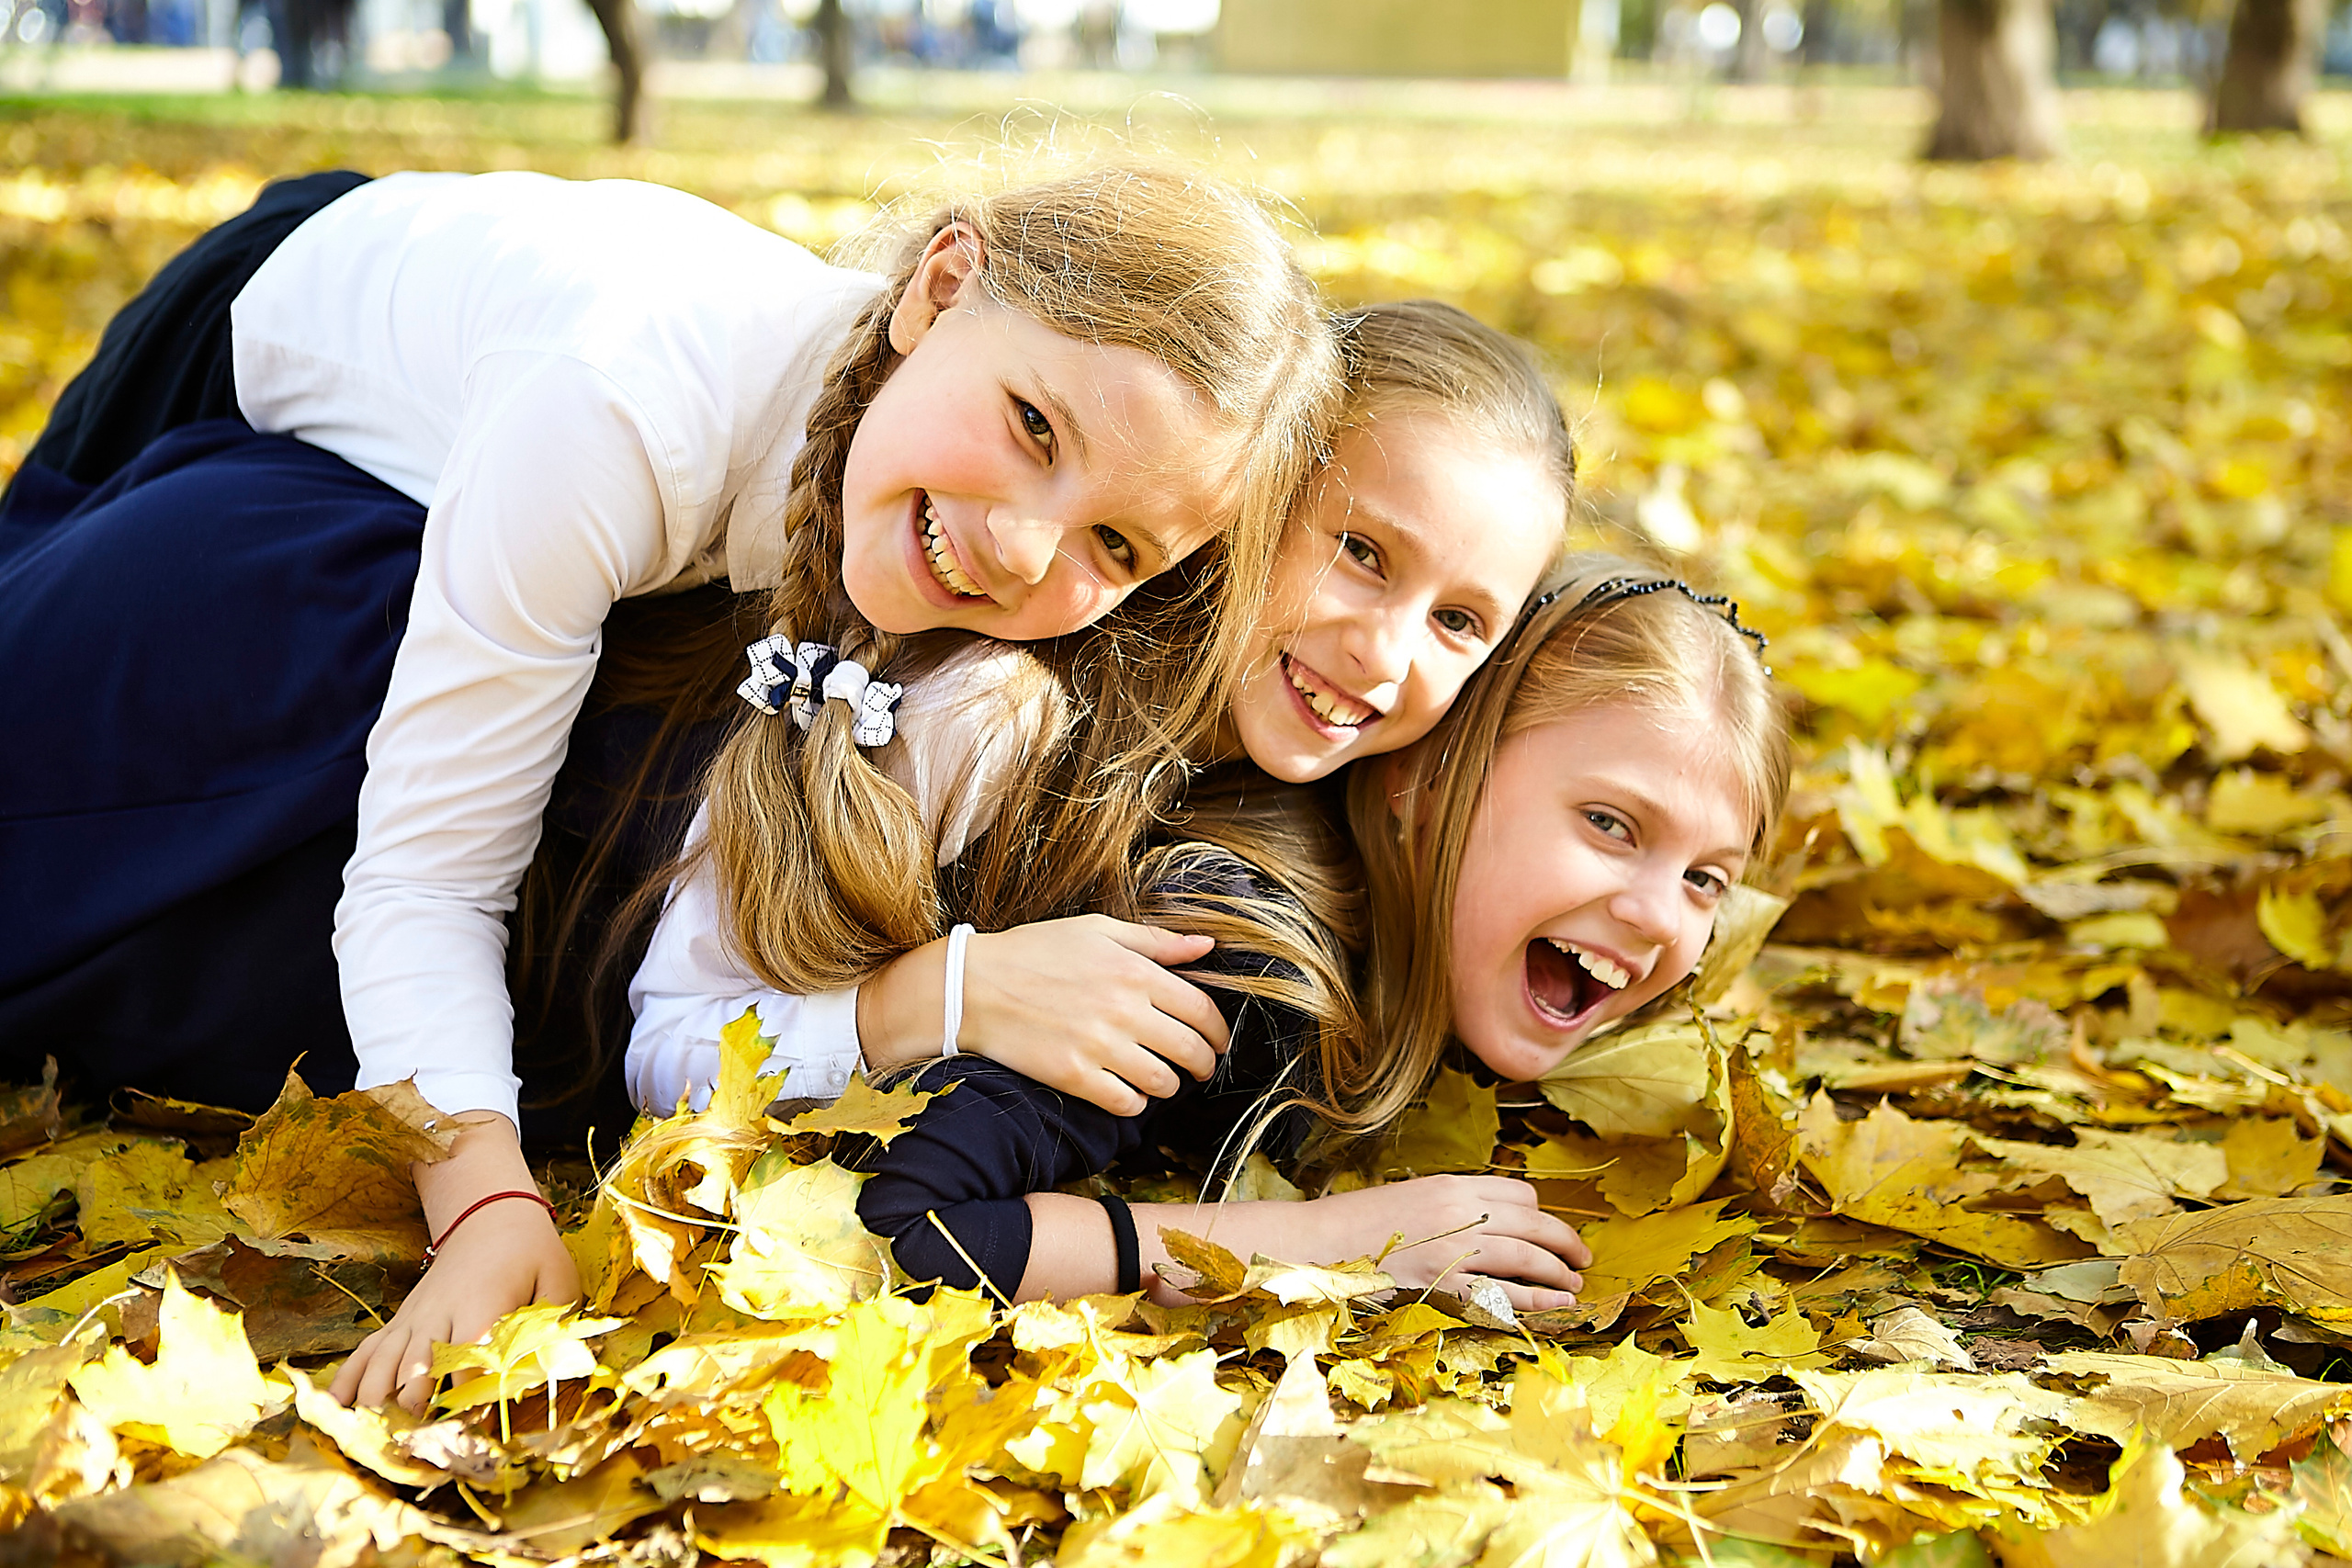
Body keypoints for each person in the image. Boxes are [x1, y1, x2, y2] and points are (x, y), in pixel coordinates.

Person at [0, 162, 1340, 1407]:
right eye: (1032, 424)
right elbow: (424, 874)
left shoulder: (952, 560)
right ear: (940, 288)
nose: (1018, 546)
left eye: (1116, 539)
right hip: (260, 326)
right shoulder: (616, 412)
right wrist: (482, 1199)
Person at [624, 298, 1575, 1123]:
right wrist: (950, 997)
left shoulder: (1303, 799)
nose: (1385, 651)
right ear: (1249, 503)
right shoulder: (992, 715)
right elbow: (668, 1053)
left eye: (1457, 620)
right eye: (1362, 553)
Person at [834, 555, 1791, 1312]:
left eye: (1705, 879)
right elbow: (894, 1223)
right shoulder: (1241, 965)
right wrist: (1340, 1242)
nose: (1660, 916)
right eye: (1610, 826)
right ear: (1429, 780)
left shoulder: (1481, 976)